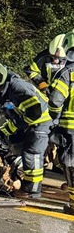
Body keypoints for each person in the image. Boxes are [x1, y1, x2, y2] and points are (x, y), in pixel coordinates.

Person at [0, 61, 52, 199]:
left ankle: (32, 191)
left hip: (41, 122)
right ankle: (28, 186)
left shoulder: (18, 88)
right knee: (27, 152)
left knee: (32, 153)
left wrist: (15, 126)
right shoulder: (8, 89)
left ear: (0, 80)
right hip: (34, 122)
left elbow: (35, 112)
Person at [47, 31, 74, 215]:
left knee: (71, 166)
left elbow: (56, 101)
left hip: (71, 130)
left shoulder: (68, 73)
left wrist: (53, 119)